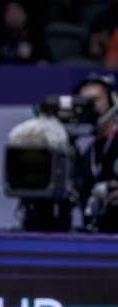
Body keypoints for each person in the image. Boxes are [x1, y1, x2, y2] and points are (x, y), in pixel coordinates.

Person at [76, 74, 118, 232]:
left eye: (95, 100)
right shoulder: (86, 153)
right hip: (95, 237)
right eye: (84, 102)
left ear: (113, 101)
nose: (90, 107)